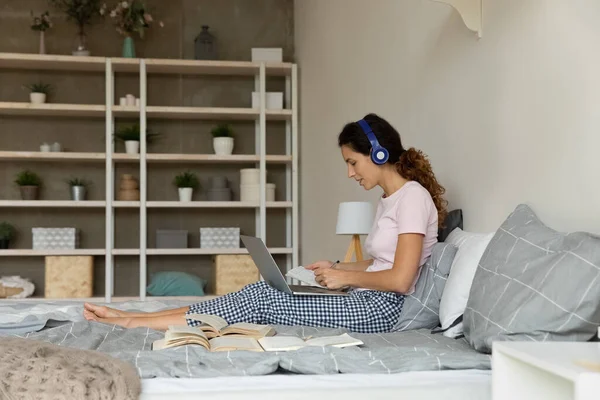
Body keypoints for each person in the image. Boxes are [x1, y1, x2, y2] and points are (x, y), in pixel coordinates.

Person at [83, 113, 447, 334]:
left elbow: (400, 279)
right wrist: (336, 268)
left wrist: (346, 278)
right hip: (365, 297)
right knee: (260, 291)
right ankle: (139, 317)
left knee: (265, 301)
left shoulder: (413, 197)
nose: (350, 172)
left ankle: (134, 323)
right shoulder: (390, 200)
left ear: (378, 153)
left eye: (353, 162)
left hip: (381, 310)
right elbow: (382, 261)